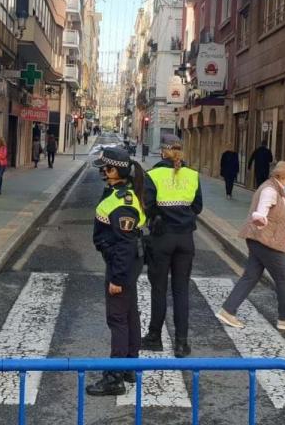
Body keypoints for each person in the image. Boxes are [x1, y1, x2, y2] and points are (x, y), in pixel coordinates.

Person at [216, 161, 285, 333]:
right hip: (265, 241)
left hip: (261, 239)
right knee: (284, 277)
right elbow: (261, 212)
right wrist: (260, 219)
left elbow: (278, 218)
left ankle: (227, 311)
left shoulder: (276, 190)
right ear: (284, 177)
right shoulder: (270, 191)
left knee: (251, 276)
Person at [86, 147, 147, 396]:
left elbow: (124, 244)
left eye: (105, 168)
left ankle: (114, 379)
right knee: (130, 314)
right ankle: (129, 366)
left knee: (118, 320)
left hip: (122, 265)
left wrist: (117, 278)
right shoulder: (118, 192)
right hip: (126, 263)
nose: (101, 171)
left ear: (114, 171)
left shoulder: (123, 203)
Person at [141, 135, 202, 358]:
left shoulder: (154, 175)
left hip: (162, 238)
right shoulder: (193, 175)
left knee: (159, 289)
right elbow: (198, 206)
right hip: (186, 239)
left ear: (163, 152)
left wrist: (159, 216)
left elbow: (147, 206)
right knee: (181, 290)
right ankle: (181, 343)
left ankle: (154, 337)